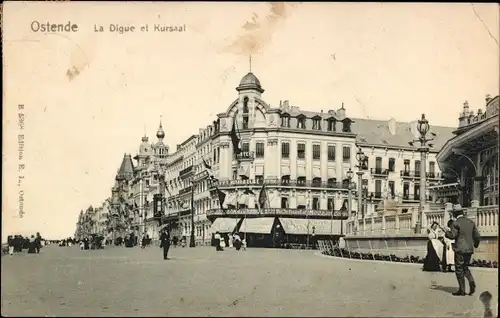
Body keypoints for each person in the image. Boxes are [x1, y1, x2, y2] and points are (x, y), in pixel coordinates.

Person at [444, 204, 481, 296]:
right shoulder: (471, 222)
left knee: (459, 269)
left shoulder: (455, 223)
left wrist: (446, 232)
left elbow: (452, 236)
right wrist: (475, 245)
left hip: (460, 249)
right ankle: (471, 282)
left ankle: (462, 290)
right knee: (465, 268)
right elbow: (477, 236)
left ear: (455, 214)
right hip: (469, 249)